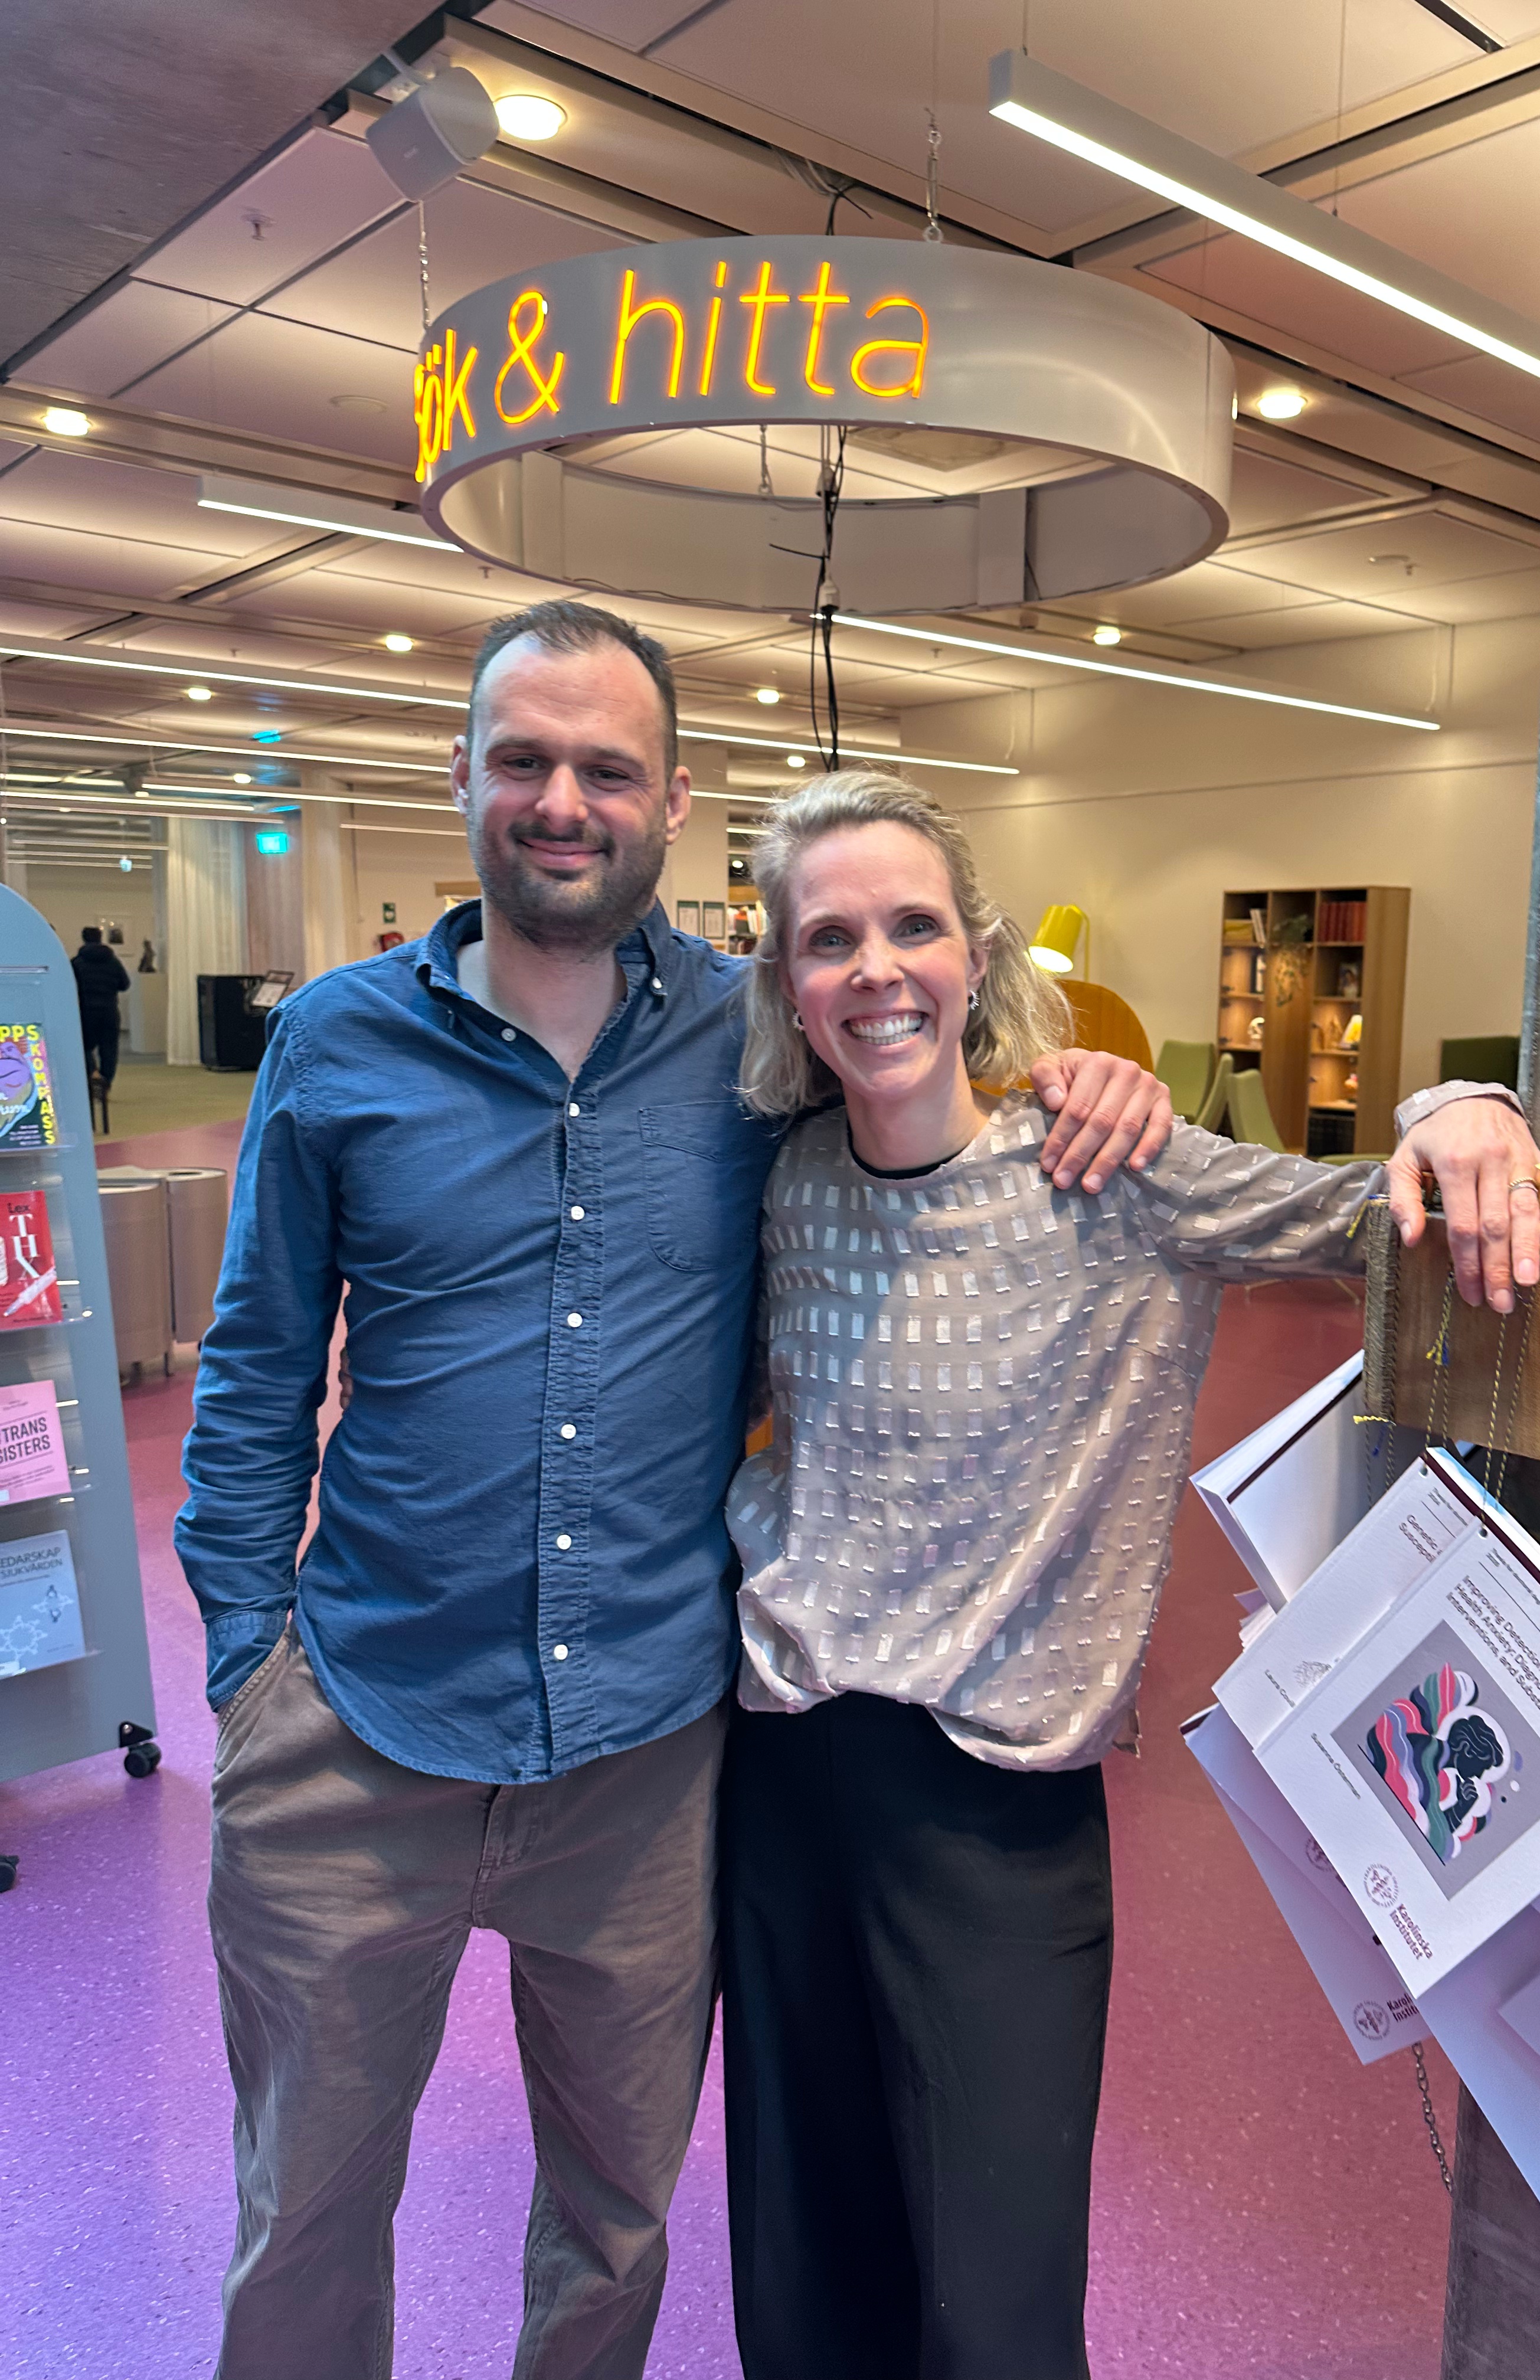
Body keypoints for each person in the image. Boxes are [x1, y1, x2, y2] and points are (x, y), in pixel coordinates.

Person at [174, 597, 1179, 2380]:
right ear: (464, 777)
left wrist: (1088, 1074)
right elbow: (255, 1366)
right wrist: (249, 1664)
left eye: (608, 769)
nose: (565, 802)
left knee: (616, 2224)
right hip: (357, 1730)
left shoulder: (758, 1043)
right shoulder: (336, 1041)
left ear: (675, 801)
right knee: (307, 2215)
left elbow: (931, 1098)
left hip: (643, 1758)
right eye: (524, 761)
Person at [717, 770, 1540, 2380]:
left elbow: (1372, 1222)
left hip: (997, 1795)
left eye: (912, 927)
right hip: (779, 1765)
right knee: (808, 2251)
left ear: (976, 956)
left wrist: (1462, 1108)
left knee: (998, 2292)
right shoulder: (783, 1181)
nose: (876, 969)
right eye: (829, 939)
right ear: (787, 983)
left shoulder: (1111, 1172)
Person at [70, 923, 130, 1088]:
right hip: (109, 1010)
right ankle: (106, 1083)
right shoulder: (114, 962)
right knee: (109, 1050)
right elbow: (125, 984)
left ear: (84, 939)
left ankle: (93, 1073)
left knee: (84, 1046)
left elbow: (69, 987)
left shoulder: (77, 963)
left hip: (86, 1011)